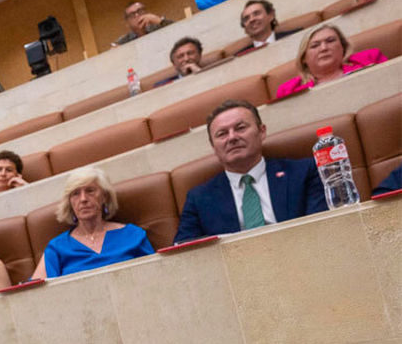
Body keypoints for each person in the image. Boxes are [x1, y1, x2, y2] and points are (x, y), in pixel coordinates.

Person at [175, 100, 326, 243]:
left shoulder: (304, 172)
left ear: (262, 132)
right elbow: (183, 253)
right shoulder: (199, 198)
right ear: (213, 146)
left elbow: (324, 228)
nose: (232, 137)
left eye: (240, 128)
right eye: (222, 134)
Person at [31, 167, 153, 279]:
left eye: (90, 191)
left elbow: (157, 273)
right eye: (76, 194)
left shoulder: (133, 234)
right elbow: (35, 292)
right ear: (70, 203)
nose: (83, 199)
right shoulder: (57, 247)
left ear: (104, 197)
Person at [274, 24, 388, 100]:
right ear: (304, 58)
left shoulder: (371, 58)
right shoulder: (288, 90)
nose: (324, 48)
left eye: (330, 41)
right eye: (315, 45)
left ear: (343, 47)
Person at [232, 0, 301, 57]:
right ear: (245, 29)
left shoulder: (297, 37)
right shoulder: (240, 57)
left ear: (271, 15)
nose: (252, 19)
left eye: (256, 13)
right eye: (246, 18)